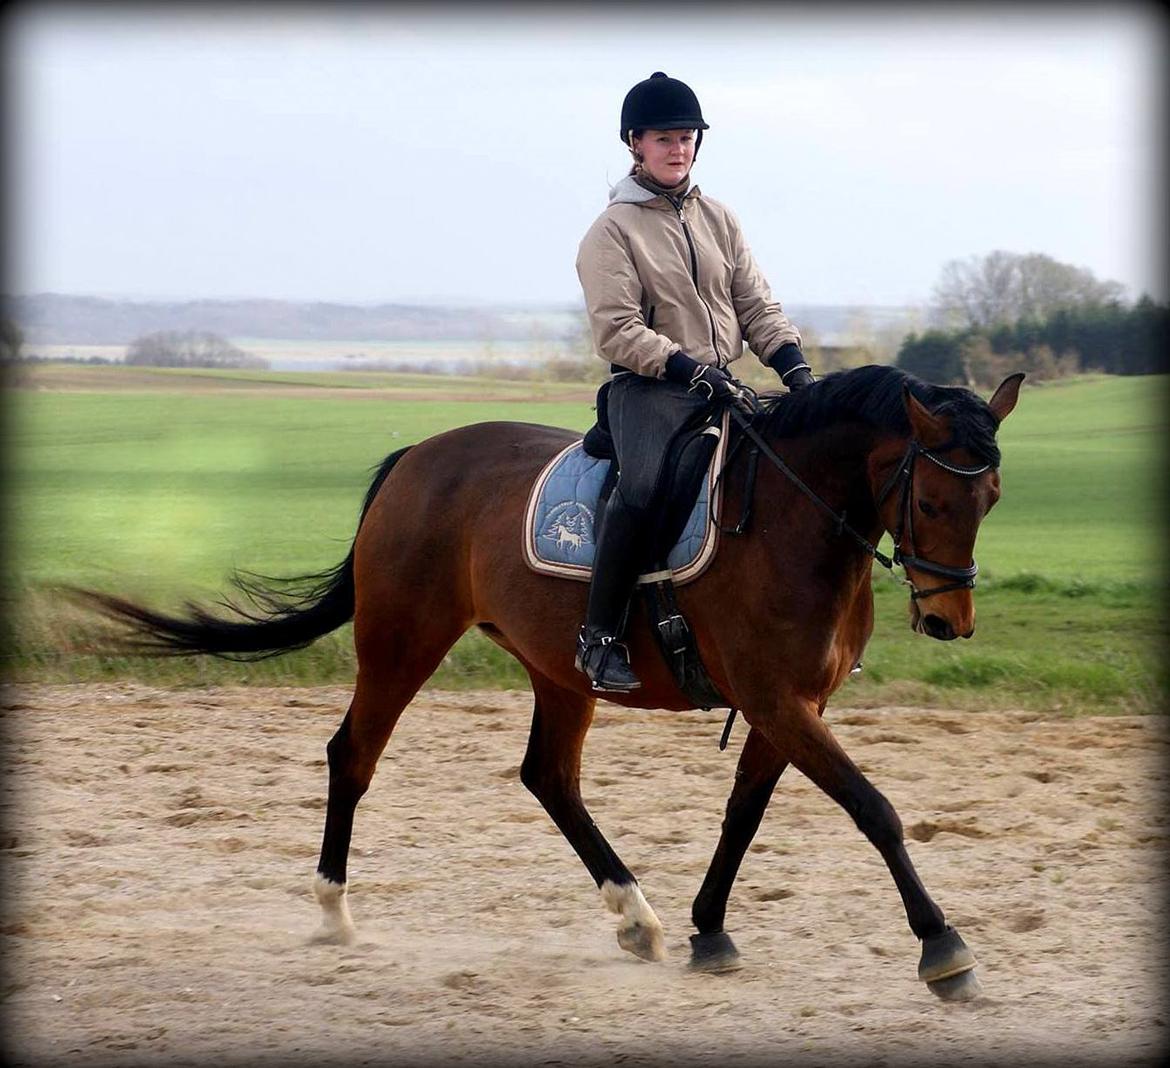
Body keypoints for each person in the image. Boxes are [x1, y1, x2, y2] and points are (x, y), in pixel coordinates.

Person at [573, 71, 816, 693]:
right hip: (650, 389)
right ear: (635, 143)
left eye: (686, 137)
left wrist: (794, 369)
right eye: (664, 138)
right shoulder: (611, 232)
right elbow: (618, 330)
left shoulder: (720, 218)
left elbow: (755, 302)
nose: (678, 148)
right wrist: (689, 369)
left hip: (722, 383)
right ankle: (598, 637)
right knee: (643, 486)